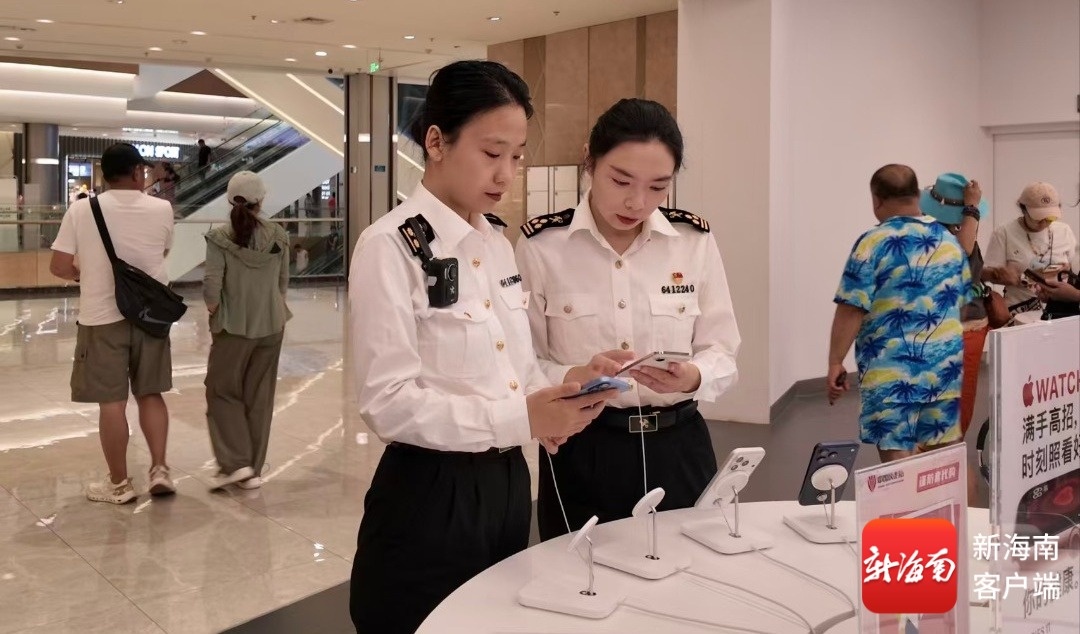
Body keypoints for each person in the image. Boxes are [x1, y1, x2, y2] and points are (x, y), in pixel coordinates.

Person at [347, 60, 617, 634]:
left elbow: (514, 369)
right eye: (492, 153)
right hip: (429, 492)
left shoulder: (495, 243)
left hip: (509, 483)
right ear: (436, 142)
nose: (506, 174)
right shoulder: (389, 247)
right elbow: (386, 401)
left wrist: (568, 383)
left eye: (516, 156)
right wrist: (519, 418)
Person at [515, 98, 741, 540]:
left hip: (679, 445)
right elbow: (524, 363)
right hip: (584, 444)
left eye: (658, 187)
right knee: (577, 570)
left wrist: (693, 376)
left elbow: (722, 350)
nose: (637, 202)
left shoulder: (692, 241)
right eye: (620, 180)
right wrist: (571, 377)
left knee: (691, 566)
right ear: (589, 160)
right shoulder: (542, 246)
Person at [48, 143, 176, 503]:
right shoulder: (162, 208)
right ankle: (159, 470)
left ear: (104, 175)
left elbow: (59, 266)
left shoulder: (82, 209)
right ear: (137, 172)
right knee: (151, 394)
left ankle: (119, 485)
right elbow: (162, 251)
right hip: (151, 317)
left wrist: (86, 274)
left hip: (101, 317)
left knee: (112, 402)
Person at [828, 164, 972, 463]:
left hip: (890, 373)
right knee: (945, 458)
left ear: (877, 199)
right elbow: (963, 303)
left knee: (897, 460)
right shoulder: (949, 242)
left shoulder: (873, 242)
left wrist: (835, 362)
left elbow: (851, 309)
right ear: (917, 195)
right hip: (943, 370)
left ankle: (904, 496)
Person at [203, 171, 291, 490]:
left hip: (233, 326)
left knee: (222, 391)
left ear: (230, 200)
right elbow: (283, 283)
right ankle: (252, 469)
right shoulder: (278, 235)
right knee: (259, 396)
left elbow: (212, 286)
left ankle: (235, 462)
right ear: (261, 200)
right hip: (271, 324)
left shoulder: (219, 238)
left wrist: (215, 310)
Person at [919, 172, 989, 500]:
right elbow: (960, 256)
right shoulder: (951, 239)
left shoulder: (929, 235)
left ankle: (941, 496)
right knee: (950, 428)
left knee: (944, 426)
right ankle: (953, 501)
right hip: (958, 335)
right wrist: (971, 209)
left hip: (948, 334)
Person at [983, 181, 1079, 324]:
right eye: (1038, 217)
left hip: (1060, 312)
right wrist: (998, 275)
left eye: (1050, 217)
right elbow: (983, 274)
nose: (1044, 222)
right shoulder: (1004, 233)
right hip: (1019, 312)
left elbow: (1072, 269)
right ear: (1023, 209)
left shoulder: (1064, 231)